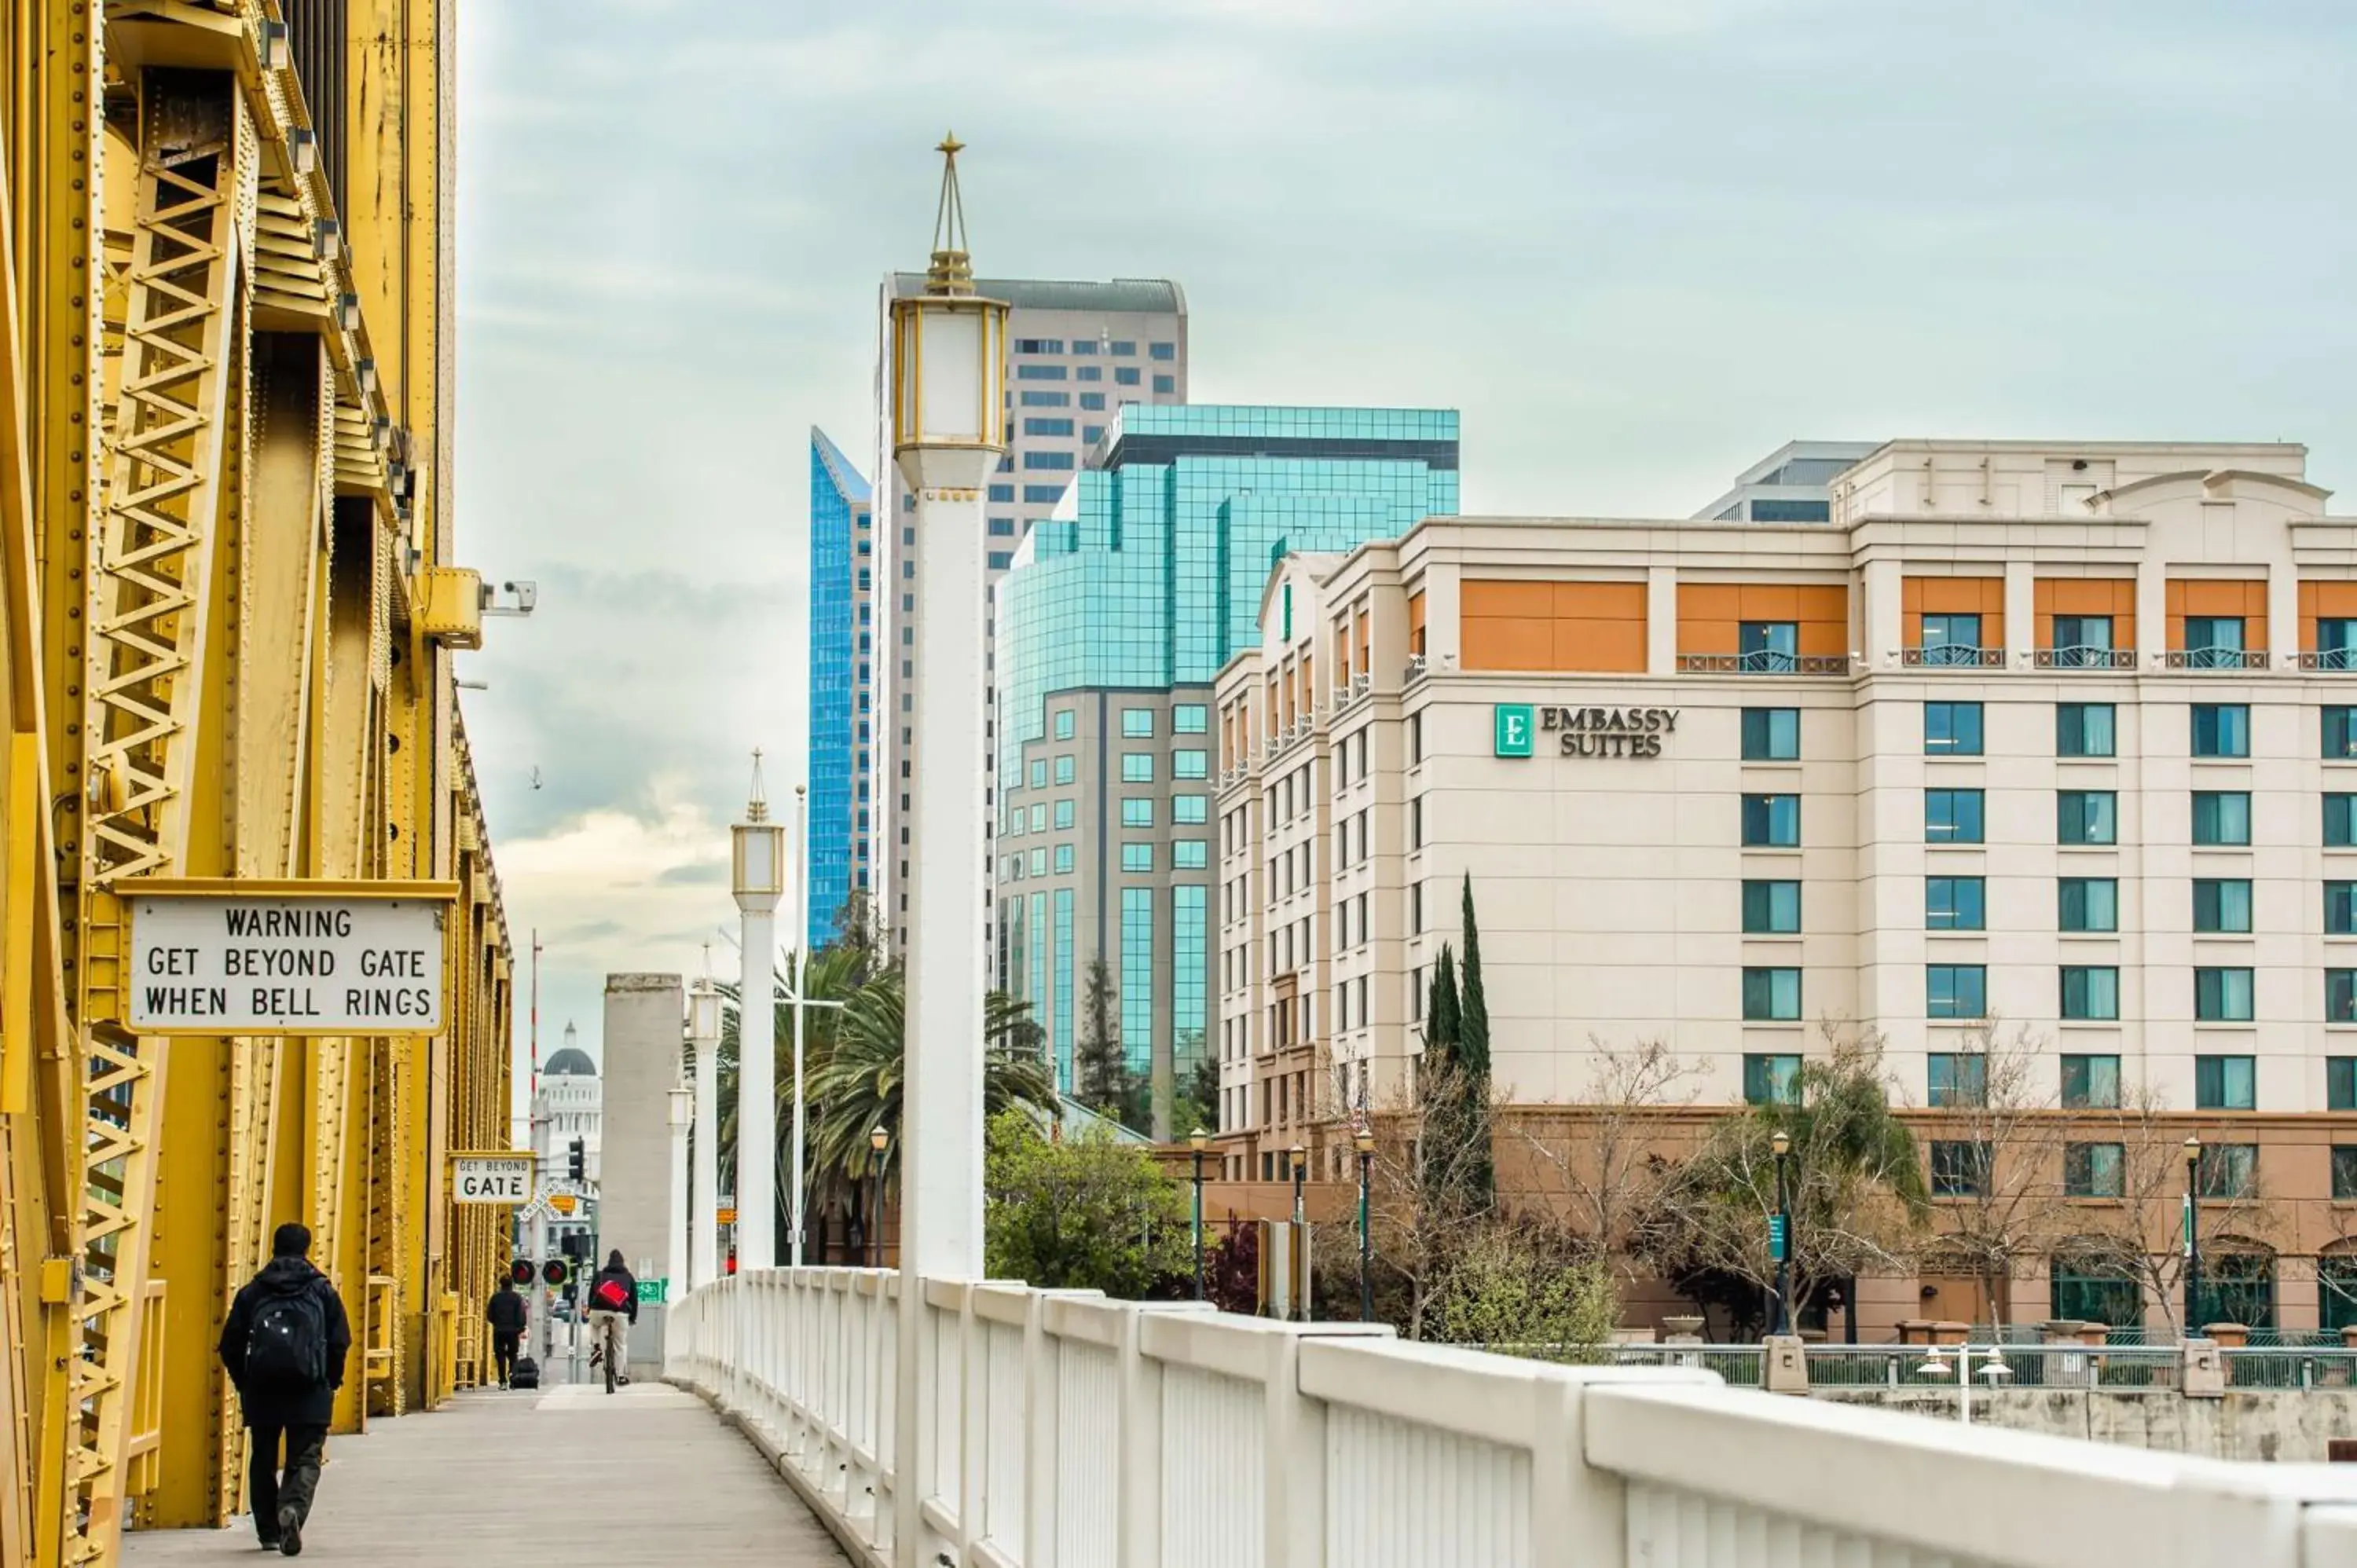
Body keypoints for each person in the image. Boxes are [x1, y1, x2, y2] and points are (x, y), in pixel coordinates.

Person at [220, 1222, 352, 1556]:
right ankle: (291, 1508)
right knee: (305, 1458)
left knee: (263, 1458)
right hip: (310, 1388)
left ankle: (267, 1532)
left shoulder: (253, 1292)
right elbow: (340, 1341)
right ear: (307, 1249)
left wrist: (244, 1380)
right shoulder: (322, 1291)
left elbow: (230, 1344)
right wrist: (331, 1379)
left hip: (262, 1389)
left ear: (274, 1248)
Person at [585, 1250, 638, 1393]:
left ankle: (597, 1348)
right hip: (620, 1313)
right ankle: (620, 1375)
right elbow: (634, 1300)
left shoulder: (600, 1275)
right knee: (620, 1345)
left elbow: (591, 1295)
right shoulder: (628, 1277)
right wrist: (632, 1318)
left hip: (598, 1310)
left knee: (594, 1324)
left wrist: (591, 1309)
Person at [486, 1277, 528, 1388]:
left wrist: (497, 1323)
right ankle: (513, 1378)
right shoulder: (517, 1298)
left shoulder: (495, 1298)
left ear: (501, 1284)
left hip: (499, 1330)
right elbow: (521, 1314)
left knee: (500, 1356)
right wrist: (520, 1328)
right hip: (513, 1332)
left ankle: (503, 1381)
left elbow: (489, 1315)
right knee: (513, 1355)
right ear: (512, 1285)